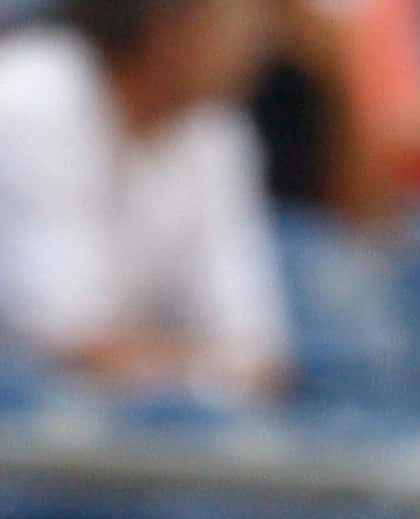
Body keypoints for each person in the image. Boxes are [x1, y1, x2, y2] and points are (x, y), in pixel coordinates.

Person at [0, 0, 290, 397]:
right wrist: (202, 367)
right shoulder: (31, 92)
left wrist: (161, 365)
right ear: (167, 24)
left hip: (122, 431)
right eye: (239, 19)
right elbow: (67, 339)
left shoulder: (219, 132)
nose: (258, 44)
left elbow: (259, 354)